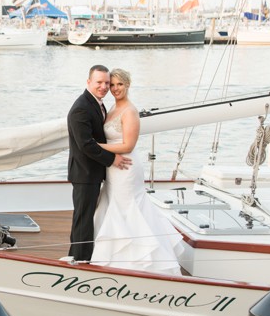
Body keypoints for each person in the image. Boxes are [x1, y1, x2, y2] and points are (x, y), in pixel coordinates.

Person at [90, 68, 187, 275]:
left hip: (126, 167)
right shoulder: (112, 109)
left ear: (128, 85)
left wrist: (95, 146)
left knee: (128, 208)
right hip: (113, 168)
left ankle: (140, 259)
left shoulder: (130, 111)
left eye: (120, 84)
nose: (115, 89)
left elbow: (128, 145)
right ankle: (112, 256)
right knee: (112, 206)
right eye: (112, 84)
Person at [66, 64, 130, 262]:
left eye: (106, 83)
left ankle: (75, 255)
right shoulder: (81, 108)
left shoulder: (97, 103)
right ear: (88, 82)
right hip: (84, 173)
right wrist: (112, 159)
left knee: (83, 217)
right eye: (99, 82)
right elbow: (86, 145)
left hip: (92, 172)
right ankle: (82, 260)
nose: (103, 87)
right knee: (84, 219)